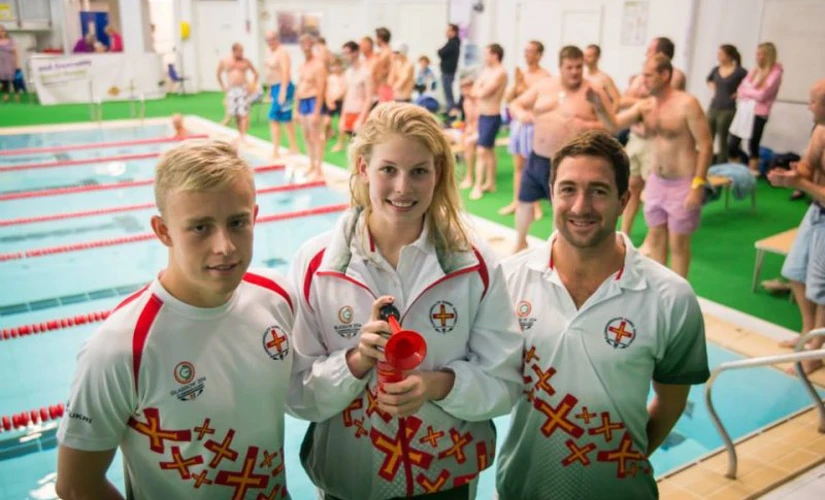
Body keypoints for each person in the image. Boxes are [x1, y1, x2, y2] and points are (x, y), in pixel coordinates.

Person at [288, 102, 523, 499]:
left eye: (419, 171)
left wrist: (437, 385)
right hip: (352, 480)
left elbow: (505, 381)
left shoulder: (472, 263)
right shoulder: (318, 265)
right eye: (388, 170)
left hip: (445, 479)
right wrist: (356, 362)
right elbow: (296, 392)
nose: (402, 188)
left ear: (438, 174)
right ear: (363, 169)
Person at [55, 140, 297, 499]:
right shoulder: (121, 347)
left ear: (255, 216)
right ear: (163, 231)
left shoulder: (276, 297)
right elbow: (75, 486)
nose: (225, 246)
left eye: (237, 222)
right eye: (200, 227)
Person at [496, 129, 709, 499]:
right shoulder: (508, 281)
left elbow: (671, 401)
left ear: (624, 200)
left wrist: (620, 461)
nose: (580, 207)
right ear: (551, 193)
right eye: (568, 189)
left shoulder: (670, 298)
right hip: (522, 487)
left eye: (598, 191)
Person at [590, 55, 713, 279]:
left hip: (683, 183)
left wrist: (698, 185)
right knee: (656, 238)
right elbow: (614, 125)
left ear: (664, 75)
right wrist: (599, 105)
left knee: (678, 245)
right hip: (657, 181)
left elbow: (706, 145)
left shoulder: (687, 104)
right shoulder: (646, 106)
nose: (642, 79)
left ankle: (678, 295)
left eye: (648, 75)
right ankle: (661, 291)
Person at [508, 45, 611, 253]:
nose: (574, 72)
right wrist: (521, 115)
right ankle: (520, 242)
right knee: (524, 201)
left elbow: (612, 126)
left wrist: (587, 125)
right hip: (537, 157)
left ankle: (559, 252)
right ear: (560, 67)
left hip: (570, 164)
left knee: (563, 210)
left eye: (578, 67)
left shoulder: (593, 91)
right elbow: (515, 104)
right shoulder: (545, 86)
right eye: (569, 67)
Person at [769, 78, 825, 373]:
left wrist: (801, 183)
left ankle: (816, 352)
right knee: (795, 271)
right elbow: (808, 164)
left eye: (813, 102)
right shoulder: (820, 129)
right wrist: (791, 175)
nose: (808, 106)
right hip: (817, 212)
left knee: (821, 288)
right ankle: (807, 333)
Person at [499, 41, 551, 217]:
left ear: (539, 54)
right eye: (526, 51)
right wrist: (517, 84)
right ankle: (516, 200)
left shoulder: (545, 76)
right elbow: (509, 99)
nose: (527, 54)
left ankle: (535, 205)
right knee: (518, 166)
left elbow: (544, 100)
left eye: (531, 51)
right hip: (519, 124)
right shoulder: (521, 74)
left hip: (535, 124)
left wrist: (525, 86)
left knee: (533, 166)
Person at [728, 42, 783, 174]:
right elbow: (740, 89)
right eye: (757, 54)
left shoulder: (775, 73)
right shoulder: (754, 70)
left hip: (759, 113)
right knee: (732, 143)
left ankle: (753, 174)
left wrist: (748, 92)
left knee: (753, 144)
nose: (757, 57)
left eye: (760, 54)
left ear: (768, 55)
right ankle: (737, 172)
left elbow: (763, 95)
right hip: (745, 110)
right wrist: (750, 91)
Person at [464, 44, 508, 201]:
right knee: (488, 150)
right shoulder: (487, 71)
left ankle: (478, 186)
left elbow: (484, 92)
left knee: (482, 150)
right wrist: (478, 90)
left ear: (495, 55)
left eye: (486, 54)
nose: (484, 57)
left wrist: (479, 90)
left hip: (492, 116)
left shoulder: (500, 72)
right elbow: (476, 90)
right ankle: (490, 182)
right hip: (483, 116)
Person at [706, 44, 747, 164]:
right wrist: (712, 86)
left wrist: (739, 92)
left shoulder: (739, 71)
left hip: (728, 108)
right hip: (714, 106)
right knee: (708, 137)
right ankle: (706, 163)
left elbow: (749, 83)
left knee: (723, 139)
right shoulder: (716, 69)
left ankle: (721, 164)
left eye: (721, 54)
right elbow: (709, 79)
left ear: (729, 56)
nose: (718, 56)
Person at [296, 34, 327, 181]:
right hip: (302, 102)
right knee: (306, 136)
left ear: (312, 45)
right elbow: (299, 87)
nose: (305, 47)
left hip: (313, 101)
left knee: (315, 136)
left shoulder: (318, 65)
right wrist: (296, 109)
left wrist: (316, 111)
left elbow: (321, 89)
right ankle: (312, 164)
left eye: (308, 44)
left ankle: (319, 168)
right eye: (303, 44)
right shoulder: (302, 65)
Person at [264, 30, 299, 158]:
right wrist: (269, 90)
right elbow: (269, 72)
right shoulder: (270, 52)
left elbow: (286, 72)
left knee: (273, 118)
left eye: (273, 39)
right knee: (286, 119)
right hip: (274, 87)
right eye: (268, 40)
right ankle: (294, 147)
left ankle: (275, 150)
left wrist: (283, 91)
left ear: (277, 39)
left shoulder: (282, 53)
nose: (270, 42)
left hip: (283, 87)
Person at [216, 43, 259, 145]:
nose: (241, 54)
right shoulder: (226, 61)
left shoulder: (245, 62)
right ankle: (240, 133)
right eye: (239, 51)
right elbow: (218, 74)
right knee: (235, 113)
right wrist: (222, 86)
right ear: (234, 51)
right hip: (232, 89)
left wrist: (252, 85)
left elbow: (256, 73)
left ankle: (243, 135)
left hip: (243, 89)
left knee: (243, 113)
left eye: (242, 51)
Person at [332, 41, 369, 152]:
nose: (345, 56)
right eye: (343, 53)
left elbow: (369, 98)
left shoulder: (366, 73)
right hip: (349, 112)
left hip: (359, 113)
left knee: (362, 150)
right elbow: (347, 97)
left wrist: (361, 118)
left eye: (347, 53)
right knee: (352, 149)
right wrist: (343, 117)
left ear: (356, 52)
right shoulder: (348, 73)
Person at [583, 44, 620, 111]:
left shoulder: (604, 78)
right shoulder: (582, 76)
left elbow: (617, 100)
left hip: (599, 116)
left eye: (589, 56)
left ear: (597, 57)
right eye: (584, 56)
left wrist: (611, 117)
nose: (585, 59)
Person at [438, 24, 461, 112]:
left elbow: (441, 52)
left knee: (448, 93)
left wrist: (440, 51)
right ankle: (450, 110)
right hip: (446, 72)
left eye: (448, 31)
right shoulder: (451, 42)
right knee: (447, 93)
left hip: (448, 72)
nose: (446, 33)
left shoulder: (453, 43)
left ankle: (451, 110)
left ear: (454, 32)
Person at [0, 25, 19, 103]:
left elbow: (16, 53)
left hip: (11, 62)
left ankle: (17, 96)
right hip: (1, 63)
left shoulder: (11, 41)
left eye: (2, 31)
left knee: (14, 80)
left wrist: (17, 64)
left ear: (5, 31)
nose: (1, 33)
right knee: (4, 81)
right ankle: (6, 97)